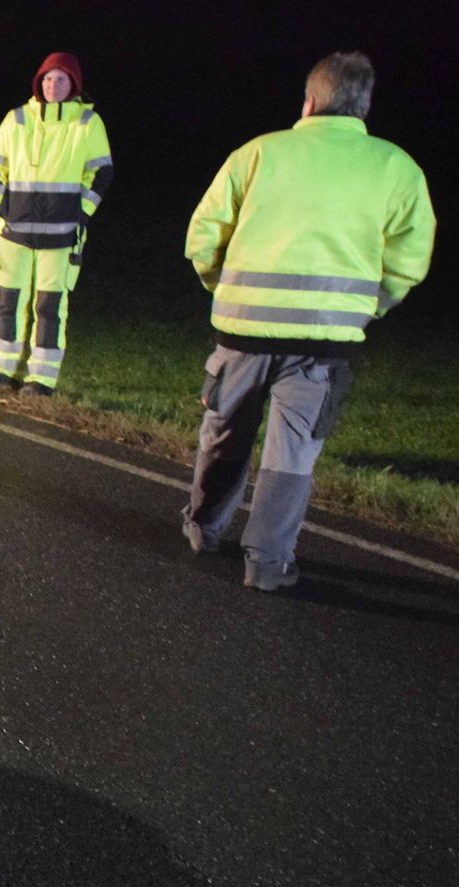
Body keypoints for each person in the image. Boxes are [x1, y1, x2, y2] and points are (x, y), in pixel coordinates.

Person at [181, 52, 436, 591]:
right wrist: (371, 305)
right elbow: (409, 259)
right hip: (324, 342)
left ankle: (204, 530)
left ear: (310, 100)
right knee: (291, 453)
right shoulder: (396, 167)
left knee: (225, 434)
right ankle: (266, 565)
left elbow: (203, 235)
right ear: (364, 105)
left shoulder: (258, 153)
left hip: (243, 330)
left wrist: (223, 286)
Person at [0, 53, 112, 396]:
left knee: (50, 306)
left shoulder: (87, 122)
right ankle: (3, 370)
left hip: (62, 234)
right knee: (9, 301)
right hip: (13, 231)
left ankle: (41, 379)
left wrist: (81, 212)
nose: (53, 86)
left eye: (61, 80)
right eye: (48, 79)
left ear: (74, 85)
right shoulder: (17, 119)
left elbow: (101, 173)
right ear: (39, 82)